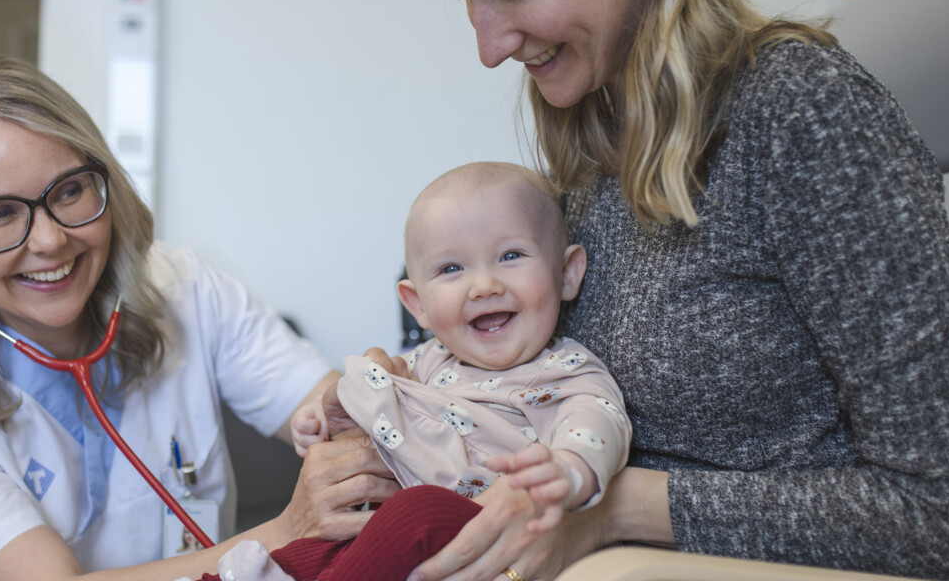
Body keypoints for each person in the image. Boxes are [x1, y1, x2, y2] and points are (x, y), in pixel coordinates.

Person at [406, 0, 949, 581]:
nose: (488, 47)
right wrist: (385, 435)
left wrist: (618, 508)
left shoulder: (802, 114)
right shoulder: (595, 147)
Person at [0, 56, 400, 581]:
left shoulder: (186, 290)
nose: (50, 240)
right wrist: (285, 531)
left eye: (69, 191)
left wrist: (372, 408)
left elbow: (334, 415)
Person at [206, 162, 632, 581]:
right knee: (326, 540)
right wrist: (324, 415)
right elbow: (368, 402)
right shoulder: (423, 362)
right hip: (389, 539)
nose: (484, 286)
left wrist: (568, 472)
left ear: (566, 273)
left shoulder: (565, 371)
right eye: (451, 269)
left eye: (511, 256)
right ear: (418, 305)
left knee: (414, 511)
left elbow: (596, 424)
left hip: (479, 531)